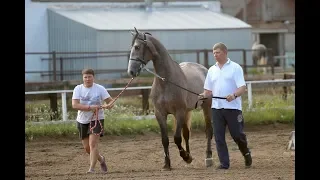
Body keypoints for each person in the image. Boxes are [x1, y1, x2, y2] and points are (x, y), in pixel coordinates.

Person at [199, 42, 252, 169]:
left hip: (233, 108)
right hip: (216, 108)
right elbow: (208, 91)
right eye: (214, 53)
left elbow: (242, 87)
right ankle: (224, 164)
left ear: (225, 52)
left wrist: (233, 95)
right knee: (218, 137)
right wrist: (203, 95)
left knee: (237, 135)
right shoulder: (212, 70)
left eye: (218, 53)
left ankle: (246, 153)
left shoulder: (235, 68)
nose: (215, 55)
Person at [72, 68, 115, 174]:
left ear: (93, 77)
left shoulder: (100, 88)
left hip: (97, 119)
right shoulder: (78, 89)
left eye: (89, 77)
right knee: (87, 148)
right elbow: (75, 105)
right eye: (85, 77)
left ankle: (91, 168)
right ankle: (101, 159)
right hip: (82, 120)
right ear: (83, 78)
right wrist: (91, 107)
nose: (87, 79)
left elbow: (110, 101)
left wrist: (110, 105)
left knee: (93, 145)